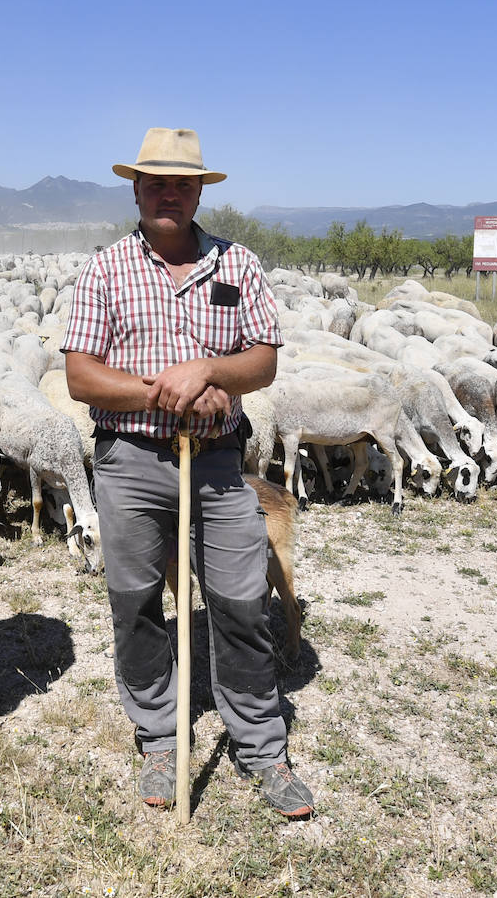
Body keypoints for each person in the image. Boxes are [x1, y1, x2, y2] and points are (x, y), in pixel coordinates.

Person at [62, 128, 313, 818]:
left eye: (182, 184)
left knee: (240, 602)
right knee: (137, 603)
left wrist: (208, 371)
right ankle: (158, 737)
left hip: (218, 465)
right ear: (136, 190)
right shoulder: (106, 269)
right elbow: (81, 376)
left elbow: (263, 360)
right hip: (131, 462)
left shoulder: (239, 264)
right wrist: (166, 392)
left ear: (200, 192)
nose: (169, 194)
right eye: (157, 183)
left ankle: (260, 745)